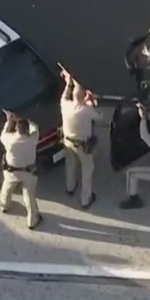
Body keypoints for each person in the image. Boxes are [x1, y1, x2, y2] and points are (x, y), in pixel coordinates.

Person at [58, 66, 100, 209]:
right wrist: (92, 101)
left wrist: (69, 82)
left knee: (70, 164)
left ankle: (70, 187)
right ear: (84, 97)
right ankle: (85, 199)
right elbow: (100, 117)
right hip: (83, 145)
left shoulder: (65, 104)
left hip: (67, 141)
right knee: (87, 170)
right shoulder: (87, 110)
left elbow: (66, 94)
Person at [0, 110, 42, 230]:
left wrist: (9, 120)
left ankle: (4, 205)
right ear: (27, 130)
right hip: (28, 172)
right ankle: (32, 220)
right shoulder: (32, 139)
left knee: (7, 188)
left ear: (17, 129)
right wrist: (24, 119)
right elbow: (36, 127)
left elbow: (3, 134)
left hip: (12, 170)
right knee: (29, 196)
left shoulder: (10, 140)